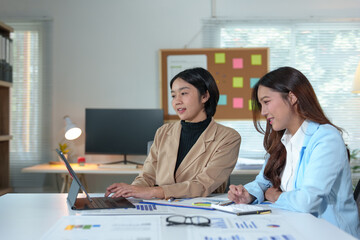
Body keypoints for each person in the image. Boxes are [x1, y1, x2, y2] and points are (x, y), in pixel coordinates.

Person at [227, 66, 359, 237]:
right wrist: (248, 194)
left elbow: (307, 201)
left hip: (329, 234)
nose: (263, 112)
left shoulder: (326, 138)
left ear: (292, 97)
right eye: (261, 104)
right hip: (294, 228)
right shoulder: (283, 140)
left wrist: (276, 196)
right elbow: (263, 182)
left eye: (266, 102)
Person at [105, 67, 241, 200]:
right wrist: (131, 192)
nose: (177, 101)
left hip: (200, 209)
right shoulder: (163, 132)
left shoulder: (228, 138)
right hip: (159, 207)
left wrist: (153, 192)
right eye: (173, 95)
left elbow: (202, 185)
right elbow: (147, 177)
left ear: (205, 96)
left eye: (184, 93)